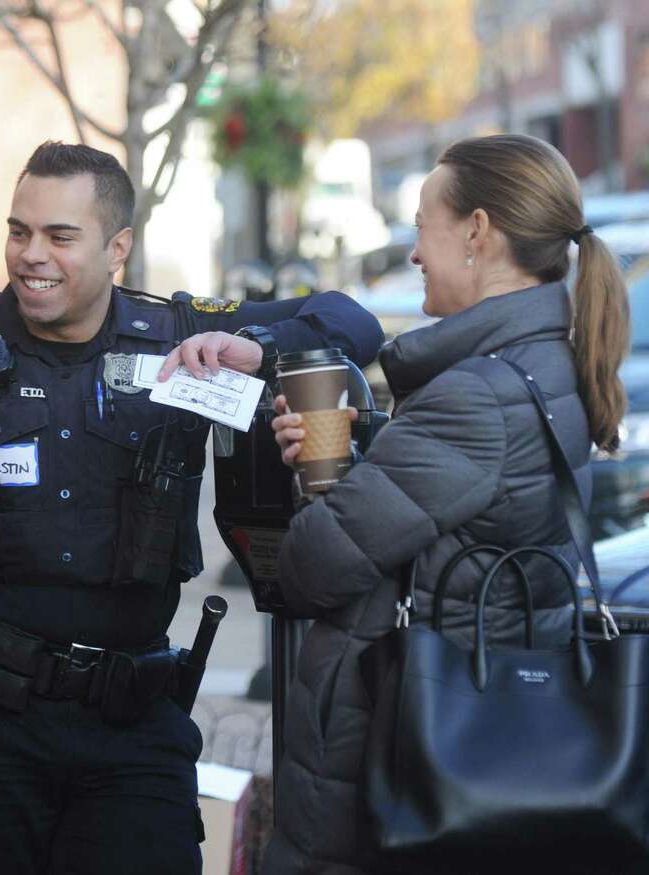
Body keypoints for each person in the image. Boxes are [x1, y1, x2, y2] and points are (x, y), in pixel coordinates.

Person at [0, 141, 384, 874]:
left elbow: (350, 321)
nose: (30, 255)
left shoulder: (180, 336)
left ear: (118, 248)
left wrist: (251, 348)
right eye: (19, 230)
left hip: (134, 728)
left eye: (60, 236)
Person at [255, 134, 627, 873]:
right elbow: (447, 522)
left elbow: (310, 568)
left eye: (423, 224)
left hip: (396, 769)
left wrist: (324, 472)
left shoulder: (473, 396)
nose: (414, 251)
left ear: (477, 232)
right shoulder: (546, 364)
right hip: (484, 745)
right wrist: (370, 453)